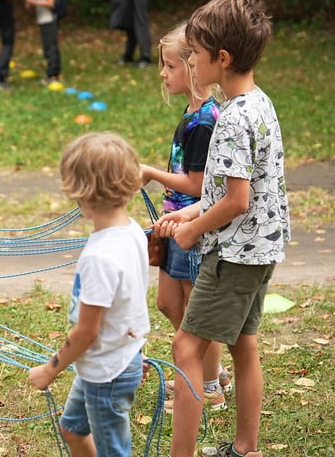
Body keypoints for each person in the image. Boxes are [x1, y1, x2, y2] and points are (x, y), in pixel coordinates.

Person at [157, 0, 289, 457]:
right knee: (244, 346)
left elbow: (236, 200)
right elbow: (237, 192)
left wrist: (193, 231)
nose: (190, 61)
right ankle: (245, 448)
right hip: (261, 250)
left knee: (187, 350)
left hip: (233, 254)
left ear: (222, 59)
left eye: (194, 54)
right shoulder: (260, 103)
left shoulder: (231, 118)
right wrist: (189, 212)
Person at [28, 131, 149, 457]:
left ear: (79, 188)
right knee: (72, 429)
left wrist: (50, 370)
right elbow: (130, 304)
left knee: (114, 452)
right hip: (114, 361)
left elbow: (86, 332)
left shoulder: (100, 257)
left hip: (107, 373)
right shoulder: (133, 231)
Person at [140, 23, 230, 415]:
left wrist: (151, 172)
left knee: (194, 312)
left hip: (192, 226)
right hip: (172, 226)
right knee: (166, 302)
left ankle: (208, 387)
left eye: (170, 66)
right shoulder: (191, 113)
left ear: (193, 68)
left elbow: (198, 186)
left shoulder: (205, 122)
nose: (163, 74)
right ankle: (208, 369)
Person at [24, 0, 63, 87]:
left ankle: (52, 75)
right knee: (49, 47)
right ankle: (53, 73)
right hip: (44, 20)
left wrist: (32, 1)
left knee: (50, 48)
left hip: (49, 20)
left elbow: (50, 3)